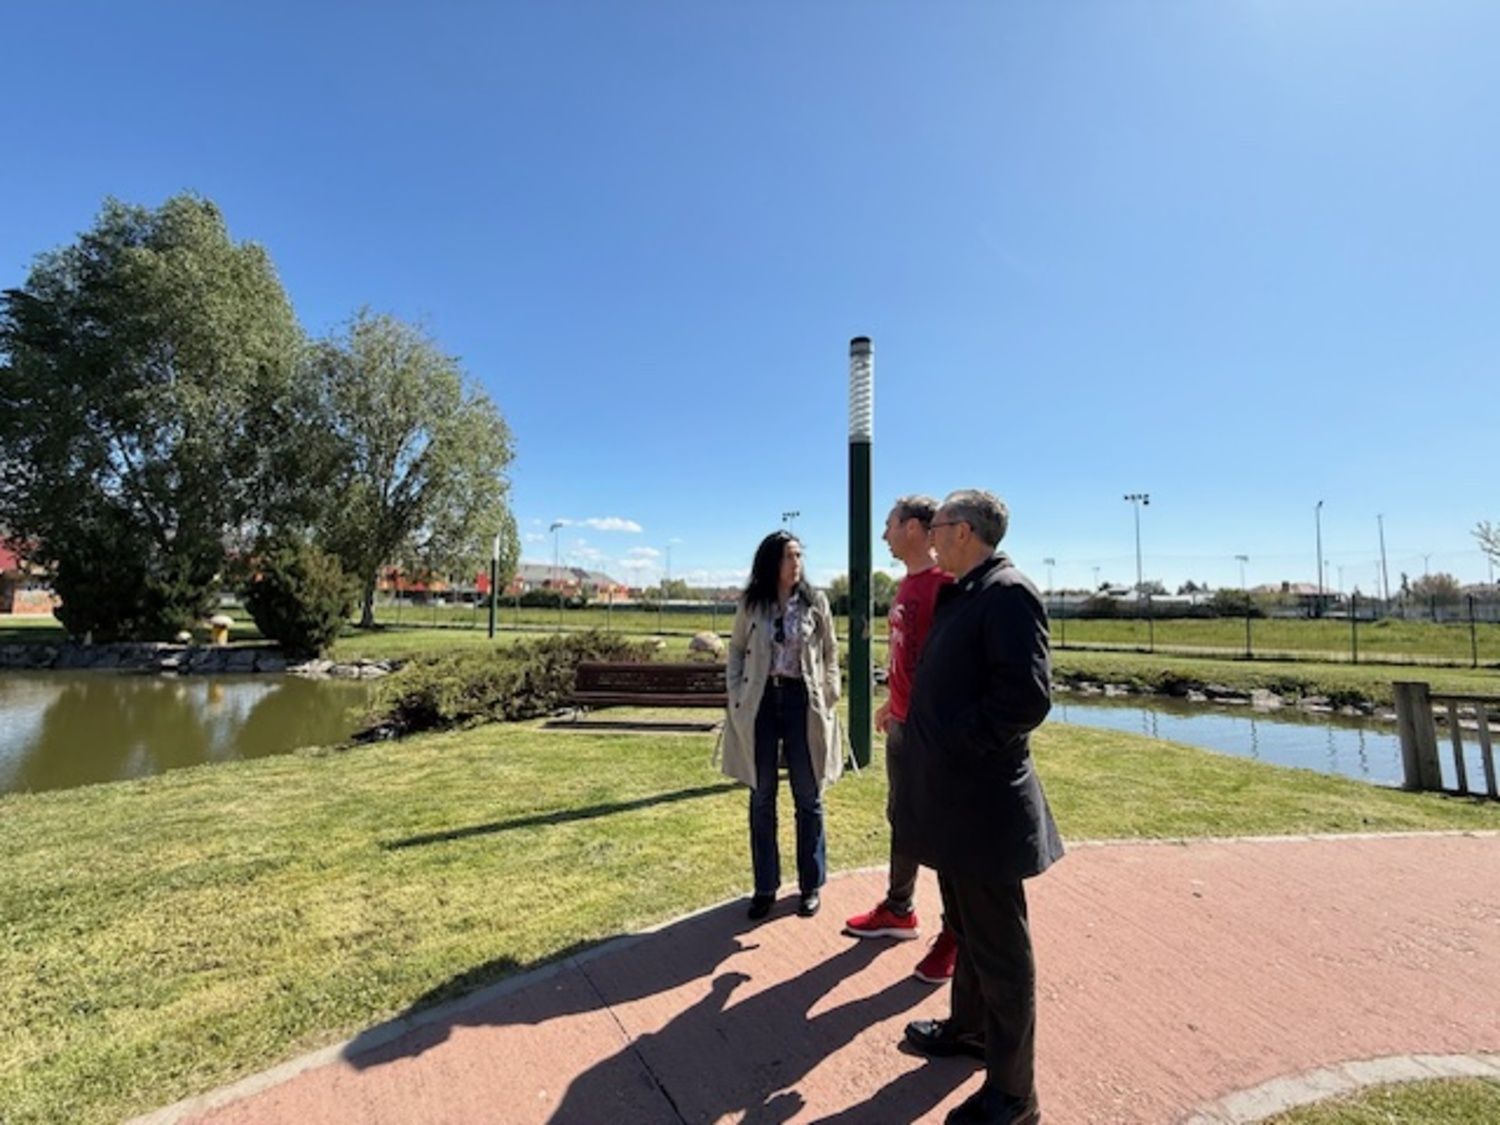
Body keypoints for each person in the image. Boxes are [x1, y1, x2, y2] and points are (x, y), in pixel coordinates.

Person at [895, 489, 1062, 1125]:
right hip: (954, 803)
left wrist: (957, 741)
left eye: (937, 525)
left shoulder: (1008, 592)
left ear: (963, 531)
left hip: (985, 807)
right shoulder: (967, 591)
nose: (930, 534)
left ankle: (1014, 1096)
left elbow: (1026, 697)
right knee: (965, 929)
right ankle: (968, 1030)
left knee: (1001, 953)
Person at [843, 495, 959, 984]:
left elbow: (950, 665)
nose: (884, 535)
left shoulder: (946, 585)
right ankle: (899, 909)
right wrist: (893, 703)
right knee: (902, 818)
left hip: (932, 733)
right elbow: (909, 655)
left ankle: (956, 934)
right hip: (903, 724)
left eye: (889, 525)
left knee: (946, 830)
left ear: (913, 527)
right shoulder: (906, 584)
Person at [719, 530, 843, 921]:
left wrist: (831, 690)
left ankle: (810, 885)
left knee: (809, 794)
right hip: (761, 703)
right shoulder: (752, 603)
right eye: (789, 556)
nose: (796, 563)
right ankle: (765, 887)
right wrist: (736, 694)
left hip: (802, 703)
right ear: (772, 561)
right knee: (762, 796)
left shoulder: (815, 601)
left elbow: (830, 651)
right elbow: (736, 649)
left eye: (799, 556)